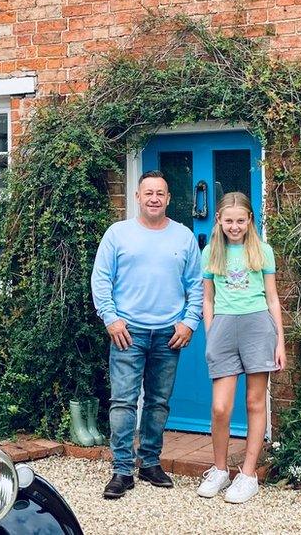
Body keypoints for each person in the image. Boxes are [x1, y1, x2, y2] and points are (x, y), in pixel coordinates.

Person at [90, 170, 203, 500]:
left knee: (158, 402)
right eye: (148, 193)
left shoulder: (182, 237)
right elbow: (101, 281)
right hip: (128, 331)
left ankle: (150, 462)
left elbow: (196, 285)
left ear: (168, 199)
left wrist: (189, 322)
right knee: (124, 400)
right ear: (137, 197)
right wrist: (111, 320)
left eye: (160, 193)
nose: (154, 198)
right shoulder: (118, 234)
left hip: (169, 333)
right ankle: (122, 470)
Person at [196, 192, 285, 504]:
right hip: (223, 328)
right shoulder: (210, 253)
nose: (234, 226)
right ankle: (219, 470)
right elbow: (207, 299)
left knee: (254, 402)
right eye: (228, 220)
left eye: (240, 220)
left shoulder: (263, 251)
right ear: (219, 220)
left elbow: (273, 298)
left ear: (250, 221)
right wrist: (211, 335)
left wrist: (280, 342)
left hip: (258, 328)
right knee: (221, 407)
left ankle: (247, 475)